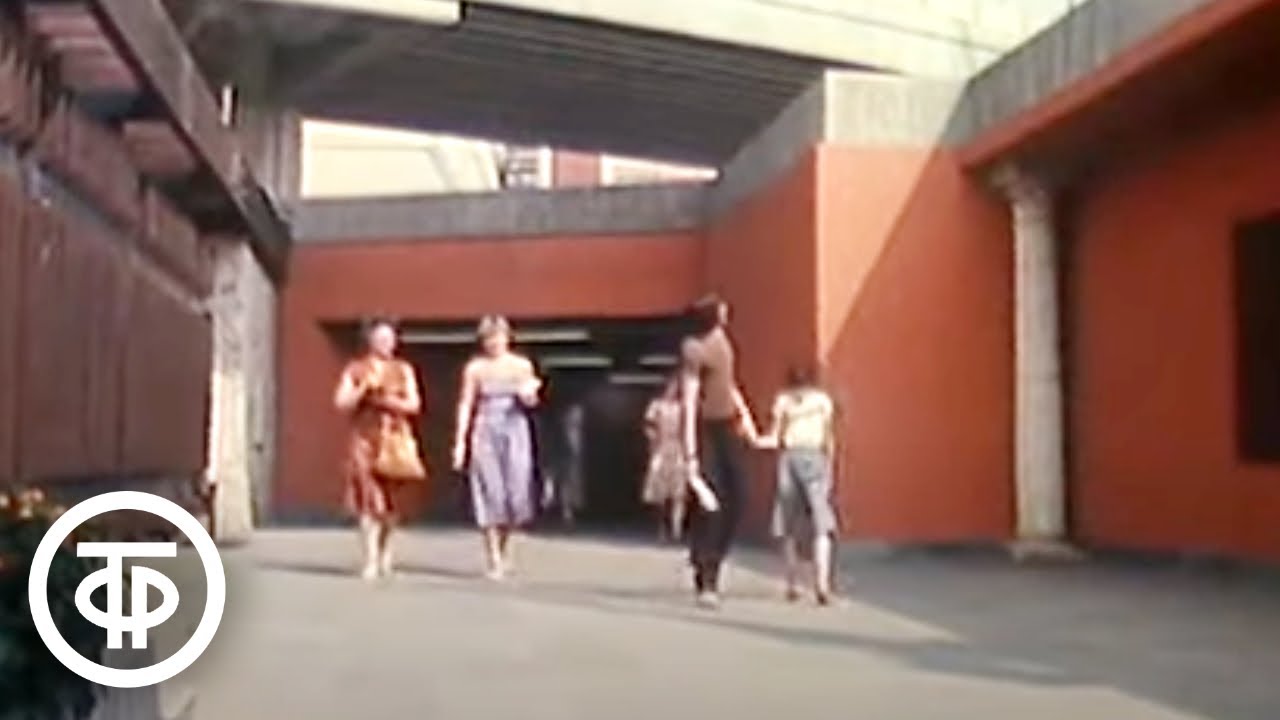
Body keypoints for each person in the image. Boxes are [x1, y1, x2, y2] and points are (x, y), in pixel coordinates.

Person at [679, 294, 760, 609]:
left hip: (727, 425)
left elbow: (731, 384)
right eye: (722, 309)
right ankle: (707, 576)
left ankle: (710, 555)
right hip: (706, 428)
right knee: (711, 504)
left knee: (739, 496)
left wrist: (747, 420)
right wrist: (690, 455)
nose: (727, 312)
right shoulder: (694, 349)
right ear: (713, 316)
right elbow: (689, 400)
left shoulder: (723, 341)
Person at [452, 315, 542, 580]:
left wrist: (529, 395)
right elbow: (466, 403)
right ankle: (493, 557)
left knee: (516, 491)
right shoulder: (475, 368)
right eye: (488, 338)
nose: (494, 342)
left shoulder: (521, 365)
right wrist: (460, 441)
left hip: (514, 427)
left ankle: (506, 548)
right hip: (485, 427)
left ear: (507, 337)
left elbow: (532, 401)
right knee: (490, 490)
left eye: (498, 337)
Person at [332, 318, 423, 581]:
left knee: (391, 504)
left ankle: (386, 553)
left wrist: (387, 400)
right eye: (381, 338)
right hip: (365, 439)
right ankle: (370, 558)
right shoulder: (356, 369)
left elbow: (414, 405)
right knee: (368, 499)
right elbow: (341, 402)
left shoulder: (403, 369)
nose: (386, 343)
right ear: (370, 340)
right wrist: (363, 389)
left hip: (394, 439)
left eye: (390, 339)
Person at [759, 365, 839, 605]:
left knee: (788, 522)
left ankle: (792, 584)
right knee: (821, 524)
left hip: (790, 458)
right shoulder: (822, 401)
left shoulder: (783, 401)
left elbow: (775, 438)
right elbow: (829, 437)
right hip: (815, 456)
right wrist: (830, 468)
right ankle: (822, 584)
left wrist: (755, 439)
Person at [642, 375, 687, 542]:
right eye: (671, 386)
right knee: (658, 491)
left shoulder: (683, 407)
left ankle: (676, 528)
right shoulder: (656, 406)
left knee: (679, 492)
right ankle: (661, 527)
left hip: (678, 449)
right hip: (661, 448)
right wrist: (653, 440)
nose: (673, 390)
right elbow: (648, 426)